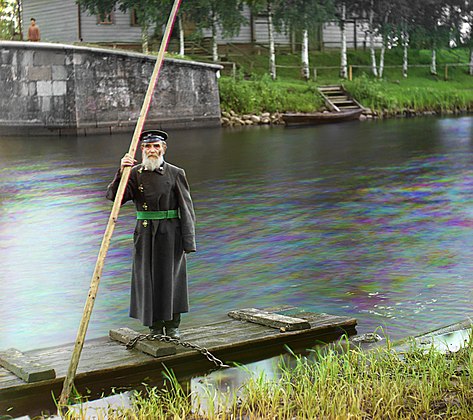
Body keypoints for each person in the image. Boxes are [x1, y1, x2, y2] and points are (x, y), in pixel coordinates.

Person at [106, 130, 196, 339]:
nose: (152, 150)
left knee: (171, 278)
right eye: (147, 147)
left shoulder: (176, 173)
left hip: (170, 233)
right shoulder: (134, 173)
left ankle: (173, 325)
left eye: (156, 146)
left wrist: (188, 241)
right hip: (145, 233)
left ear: (163, 148)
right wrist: (121, 171)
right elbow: (115, 198)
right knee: (147, 279)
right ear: (142, 150)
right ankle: (154, 327)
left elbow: (187, 209)